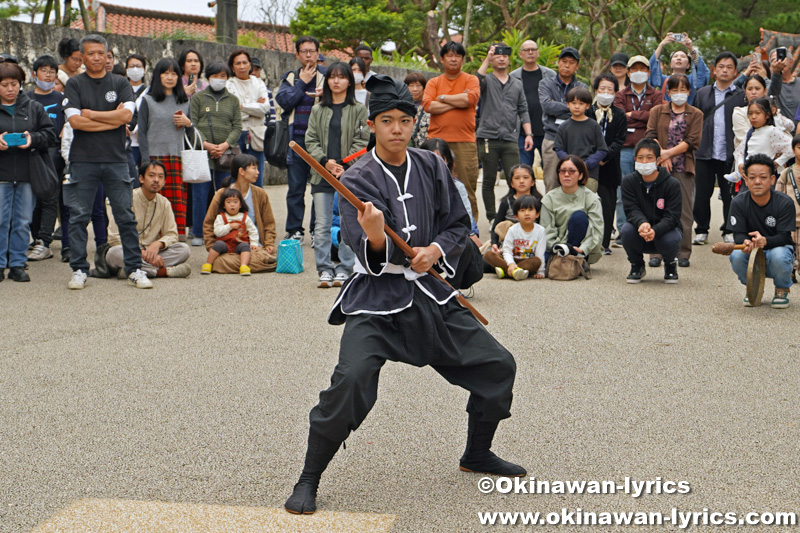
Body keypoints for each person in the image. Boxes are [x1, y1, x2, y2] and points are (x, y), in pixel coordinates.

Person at [284, 74, 524, 516]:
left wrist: (435, 249)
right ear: (372, 126)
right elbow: (363, 246)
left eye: (404, 120)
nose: (397, 128)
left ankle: (476, 454)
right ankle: (309, 476)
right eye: (387, 120)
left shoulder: (432, 165)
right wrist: (376, 237)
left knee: (498, 366)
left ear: (416, 124)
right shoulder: (357, 177)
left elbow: (457, 225)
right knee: (351, 381)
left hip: (429, 292)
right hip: (376, 299)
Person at [62, 34, 150, 290]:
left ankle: (134, 268)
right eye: (91, 53)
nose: (97, 57)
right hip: (83, 160)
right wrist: (111, 119)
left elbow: (126, 116)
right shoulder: (75, 84)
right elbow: (75, 122)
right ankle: (79, 268)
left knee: (125, 216)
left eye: (101, 53)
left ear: (108, 55)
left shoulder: (121, 82)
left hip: (116, 160)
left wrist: (92, 114)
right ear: (82, 57)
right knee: (78, 216)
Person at [305, 61, 369, 288]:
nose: (336, 81)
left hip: (349, 176)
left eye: (341, 77)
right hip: (321, 174)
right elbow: (310, 140)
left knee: (348, 223)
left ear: (349, 81)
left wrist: (342, 164)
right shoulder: (317, 109)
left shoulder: (359, 109)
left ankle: (344, 268)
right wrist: (325, 163)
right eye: (331, 77)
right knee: (321, 225)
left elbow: (363, 142)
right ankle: (324, 269)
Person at [0, 60, 57, 282]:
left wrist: (32, 139)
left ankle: (17, 263)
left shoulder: (33, 107)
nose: (10, 89)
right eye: (4, 84)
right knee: (1, 221)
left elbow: (50, 135)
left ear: (21, 84)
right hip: (2, 176)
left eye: (14, 83)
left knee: (23, 221)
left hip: (27, 174)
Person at [644, 74, 703, 267]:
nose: (678, 94)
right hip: (659, 166)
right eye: (674, 90)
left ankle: (683, 253)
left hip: (683, 167)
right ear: (668, 92)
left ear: (689, 92)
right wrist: (661, 156)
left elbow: (692, 141)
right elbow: (650, 135)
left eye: (682, 90)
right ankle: (656, 252)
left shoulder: (696, 114)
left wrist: (668, 154)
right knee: (657, 208)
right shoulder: (657, 111)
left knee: (684, 211)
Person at [726, 154, 796, 308]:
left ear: (772, 179)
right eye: (752, 177)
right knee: (736, 254)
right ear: (746, 180)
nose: (757, 181)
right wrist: (745, 242)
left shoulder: (784, 203)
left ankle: (781, 288)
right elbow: (738, 233)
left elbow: (785, 237)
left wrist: (765, 241)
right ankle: (752, 286)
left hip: (776, 249)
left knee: (779, 255)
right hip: (751, 251)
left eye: (763, 177)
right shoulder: (738, 202)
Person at [276, 36, 327, 243]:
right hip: (296, 142)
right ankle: (295, 229)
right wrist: (303, 83)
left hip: (321, 142)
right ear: (297, 55)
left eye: (312, 51)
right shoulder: (290, 77)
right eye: (304, 51)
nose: (308, 55)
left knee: (319, 188)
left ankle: (317, 230)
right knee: (295, 188)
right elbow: (284, 101)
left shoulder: (328, 76)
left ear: (317, 53)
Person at [422, 41, 481, 218]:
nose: (454, 59)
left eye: (457, 56)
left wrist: (442, 98)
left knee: (467, 187)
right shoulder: (434, 81)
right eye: (450, 55)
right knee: (433, 185)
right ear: (442, 59)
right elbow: (427, 105)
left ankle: (471, 229)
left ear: (463, 59)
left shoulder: (471, 79)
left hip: (465, 141)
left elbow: (469, 100)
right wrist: (457, 103)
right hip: (437, 141)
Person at [692, 51, 746, 245]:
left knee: (730, 194)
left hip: (728, 154)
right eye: (721, 66)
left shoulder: (740, 96)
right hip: (704, 151)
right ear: (714, 70)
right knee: (701, 194)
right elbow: (694, 120)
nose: (725, 70)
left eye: (729, 67)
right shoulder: (702, 93)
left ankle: (729, 229)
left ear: (735, 72)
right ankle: (701, 229)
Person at [105, 160, 191, 279]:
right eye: (151, 175)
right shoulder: (126, 199)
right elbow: (114, 238)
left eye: (160, 177)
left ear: (164, 182)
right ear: (141, 178)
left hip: (153, 252)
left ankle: (132, 270)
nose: (156, 180)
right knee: (114, 253)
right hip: (130, 251)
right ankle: (162, 272)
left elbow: (172, 234)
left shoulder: (164, 203)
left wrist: (157, 244)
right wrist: (142, 253)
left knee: (184, 249)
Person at [476, 43, 533, 221]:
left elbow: (523, 109)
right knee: (489, 179)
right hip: (487, 137)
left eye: (505, 56)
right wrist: (487, 57)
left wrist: (529, 134)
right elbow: (476, 81)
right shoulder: (487, 81)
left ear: (509, 60)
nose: (501, 58)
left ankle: (514, 213)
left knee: (515, 177)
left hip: (510, 137)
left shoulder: (516, 84)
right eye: (497, 55)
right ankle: (493, 218)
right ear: (493, 59)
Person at [138, 57, 194, 237]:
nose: (170, 77)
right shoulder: (147, 100)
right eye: (165, 73)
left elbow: (192, 137)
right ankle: (151, 237)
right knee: (152, 201)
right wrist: (146, 161)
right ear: (158, 76)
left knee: (176, 202)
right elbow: (142, 133)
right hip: (154, 159)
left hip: (177, 158)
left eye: (174, 73)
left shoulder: (185, 101)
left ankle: (176, 237)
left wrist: (188, 123)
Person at [189, 61, 242, 247]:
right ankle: (198, 231)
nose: (219, 80)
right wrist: (207, 145)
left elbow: (237, 127)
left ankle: (223, 230)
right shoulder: (198, 98)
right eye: (215, 76)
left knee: (225, 194)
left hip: (226, 156)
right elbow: (192, 125)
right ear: (207, 77)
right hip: (201, 154)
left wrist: (224, 145)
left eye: (222, 76)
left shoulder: (233, 100)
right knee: (200, 194)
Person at [613, 55, 664, 247]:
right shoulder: (620, 95)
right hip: (626, 149)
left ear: (649, 72)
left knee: (650, 190)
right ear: (628, 72)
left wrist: (633, 114)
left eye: (643, 68)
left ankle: (650, 228)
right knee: (623, 190)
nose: (638, 72)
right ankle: (624, 229)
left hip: (649, 150)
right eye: (634, 69)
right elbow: (619, 118)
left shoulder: (657, 95)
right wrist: (644, 118)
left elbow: (657, 116)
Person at [620, 138, 683, 283]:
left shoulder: (672, 184)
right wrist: (642, 223)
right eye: (640, 158)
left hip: (664, 232)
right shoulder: (629, 182)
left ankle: (670, 264)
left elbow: (673, 216)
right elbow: (631, 209)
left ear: (658, 160)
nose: (644, 162)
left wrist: (655, 230)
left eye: (649, 158)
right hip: (640, 230)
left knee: (671, 238)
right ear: (635, 159)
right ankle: (637, 265)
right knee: (626, 230)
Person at [202, 154, 277, 273]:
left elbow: (269, 223)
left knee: (262, 256)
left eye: (257, 168)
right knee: (220, 260)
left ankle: (239, 264)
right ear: (241, 171)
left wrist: (268, 244)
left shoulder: (260, 194)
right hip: (226, 248)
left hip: (252, 247)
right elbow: (209, 223)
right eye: (254, 168)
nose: (257, 172)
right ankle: (244, 264)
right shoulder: (222, 194)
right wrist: (212, 247)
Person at [26, 54, 65, 262]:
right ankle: (34, 237)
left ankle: (44, 241)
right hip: (30, 152)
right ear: (35, 74)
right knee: (32, 198)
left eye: (52, 72)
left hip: (54, 154)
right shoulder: (26, 98)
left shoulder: (62, 99)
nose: (49, 75)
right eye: (44, 71)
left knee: (50, 197)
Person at [587, 73, 627, 254]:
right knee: (586, 204)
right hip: (588, 166)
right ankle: (587, 241)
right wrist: (593, 158)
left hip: (610, 166)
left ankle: (604, 244)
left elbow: (619, 141)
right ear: (595, 90)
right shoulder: (587, 112)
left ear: (615, 93)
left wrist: (604, 157)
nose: (605, 92)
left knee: (608, 205)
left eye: (609, 89)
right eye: (602, 88)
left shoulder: (619, 115)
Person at [538, 47, 587, 193]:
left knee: (574, 184)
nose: (567, 65)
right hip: (552, 138)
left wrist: (557, 105)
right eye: (564, 61)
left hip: (575, 139)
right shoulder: (546, 84)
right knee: (551, 183)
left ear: (577, 66)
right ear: (558, 63)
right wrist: (573, 106)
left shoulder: (582, 86)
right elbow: (547, 106)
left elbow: (584, 110)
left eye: (571, 62)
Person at [540, 155, 604, 265]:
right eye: (562, 171)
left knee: (579, 217)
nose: (566, 174)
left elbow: (597, 232)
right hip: (556, 248)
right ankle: (566, 261)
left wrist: (583, 248)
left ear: (580, 175)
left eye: (572, 171)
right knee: (535, 262)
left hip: (581, 249)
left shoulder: (592, 199)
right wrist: (560, 248)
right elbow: (546, 230)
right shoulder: (549, 198)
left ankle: (576, 260)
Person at [227, 49, 269, 187]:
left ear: (250, 64)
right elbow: (231, 112)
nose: (242, 66)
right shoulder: (229, 84)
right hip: (236, 133)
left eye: (245, 62)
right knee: (235, 177)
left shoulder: (259, 83)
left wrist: (242, 106)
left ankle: (255, 208)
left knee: (256, 177)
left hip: (256, 135)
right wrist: (255, 107)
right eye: (238, 63)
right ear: (232, 67)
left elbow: (265, 108)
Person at [510, 39, 556, 167]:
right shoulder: (513, 77)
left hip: (547, 131)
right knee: (524, 169)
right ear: (520, 54)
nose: (530, 52)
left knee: (550, 170)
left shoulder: (550, 75)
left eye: (533, 50)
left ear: (538, 53)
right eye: (527, 50)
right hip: (522, 133)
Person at [554, 87, 608, 193]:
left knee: (586, 204)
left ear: (587, 106)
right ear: (568, 104)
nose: (577, 106)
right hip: (568, 174)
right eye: (573, 103)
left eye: (581, 103)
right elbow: (559, 149)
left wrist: (586, 164)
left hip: (589, 174)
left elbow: (602, 150)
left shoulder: (594, 126)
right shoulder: (563, 127)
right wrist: (571, 164)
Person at [484, 195, 546, 280]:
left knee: (536, 261)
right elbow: (507, 250)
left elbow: (540, 252)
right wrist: (511, 263)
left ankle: (505, 271)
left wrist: (540, 272)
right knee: (488, 254)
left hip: (526, 262)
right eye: (522, 210)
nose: (527, 213)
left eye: (530, 210)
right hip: (510, 259)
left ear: (537, 214)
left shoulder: (540, 230)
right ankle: (513, 271)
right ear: (516, 216)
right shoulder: (513, 229)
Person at [731, 98, 793, 182]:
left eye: (758, 113)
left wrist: (777, 162)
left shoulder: (772, 131)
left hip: (765, 177)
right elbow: (739, 151)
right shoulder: (750, 132)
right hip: (749, 176)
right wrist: (740, 163)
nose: (753, 116)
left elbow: (792, 148)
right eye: (750, 113)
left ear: (767, 115)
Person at [202, 187, 258, 276]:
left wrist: (254, 243)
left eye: (235, 202)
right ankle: (208, 264)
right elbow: (217, 232)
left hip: (240, 243)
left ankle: (243, 266)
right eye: (228, 202)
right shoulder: (220, 217)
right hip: (225, 244)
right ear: (223, 205)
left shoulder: (245, 217)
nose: (232, 205)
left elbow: (253, 231)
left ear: (240, 205)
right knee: (217, 245)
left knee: (245, 246)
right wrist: (229, 226)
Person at [732, 74, 793, 150]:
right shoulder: (739, 112)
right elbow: (745, 138)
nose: (753, 92)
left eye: (757, 89)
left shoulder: (773, 111)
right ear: (745, 91)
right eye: (750, 89)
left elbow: (787, 132)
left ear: (765, 91)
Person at [489, 163, 542, 248]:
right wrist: (494, 243)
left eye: (525, 177)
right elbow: (496, 226)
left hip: (531, 243)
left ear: (532, 182)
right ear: (512, 183)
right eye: (517, 178)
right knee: (487, 257)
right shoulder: (506, 202)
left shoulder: (538, 201)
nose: (521, 181)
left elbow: (541, 225)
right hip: (507, 244)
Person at [648, 33, 710, 105]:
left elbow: (702, 73)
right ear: (670, 64)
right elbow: (650, 71)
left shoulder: (692, 80)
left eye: (683, 57)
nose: (679, 58)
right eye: (675, 56)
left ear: (688, 65)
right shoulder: (664, 80)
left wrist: (691, 48)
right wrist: (661, 45)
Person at [775, 134, 800, 277]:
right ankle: (790, 271)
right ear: (793, 149)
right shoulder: (787, 172)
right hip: (790, 221)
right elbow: (779, 195)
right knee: (790, 248)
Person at [125, 54, 149, 171]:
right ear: (126, 69)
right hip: (125, 141)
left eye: (138, 66)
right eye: (132, 66)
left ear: (144, 70)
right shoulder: (121, 89)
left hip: (143, 143)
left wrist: (138, 128)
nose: (135, 69)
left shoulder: (150, 92)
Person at [404, 71, 429, 148]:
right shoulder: (401, 106)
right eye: (411, 86)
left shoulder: (429, 106)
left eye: (418, 85)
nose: (415, 89)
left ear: (424, 88)